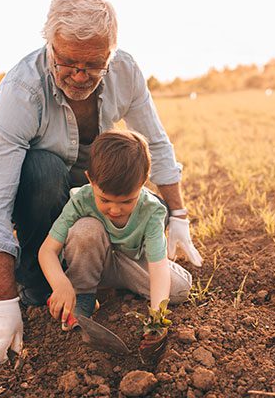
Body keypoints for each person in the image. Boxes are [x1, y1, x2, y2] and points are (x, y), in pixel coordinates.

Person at [0, 0, 202, 368]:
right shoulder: (21, 90)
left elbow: (156, 143)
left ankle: (98, 263)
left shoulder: (125, 71)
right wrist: (1, 305)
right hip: (44, 191)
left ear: (110, 54)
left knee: (132, 208)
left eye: (94, 64)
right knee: (43, 169)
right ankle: (39, 282)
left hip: (97, 187)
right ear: (50, 45)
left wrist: (177, 213)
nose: (80, 75)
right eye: (68, 61)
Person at [39, 130, 191, 360]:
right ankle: (84, 295)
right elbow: (47, 250)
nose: (115, 209)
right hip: (94, 261)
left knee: (178, 290)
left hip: (130, 263)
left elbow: (157, 267)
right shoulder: (81, 199)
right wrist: (60, 284)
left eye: (127, 201)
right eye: (105, 199)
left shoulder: (152, 211)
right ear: (91, 179)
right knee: (85, 230)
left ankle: (119, 287)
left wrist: (157, 318)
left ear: (143, 183)